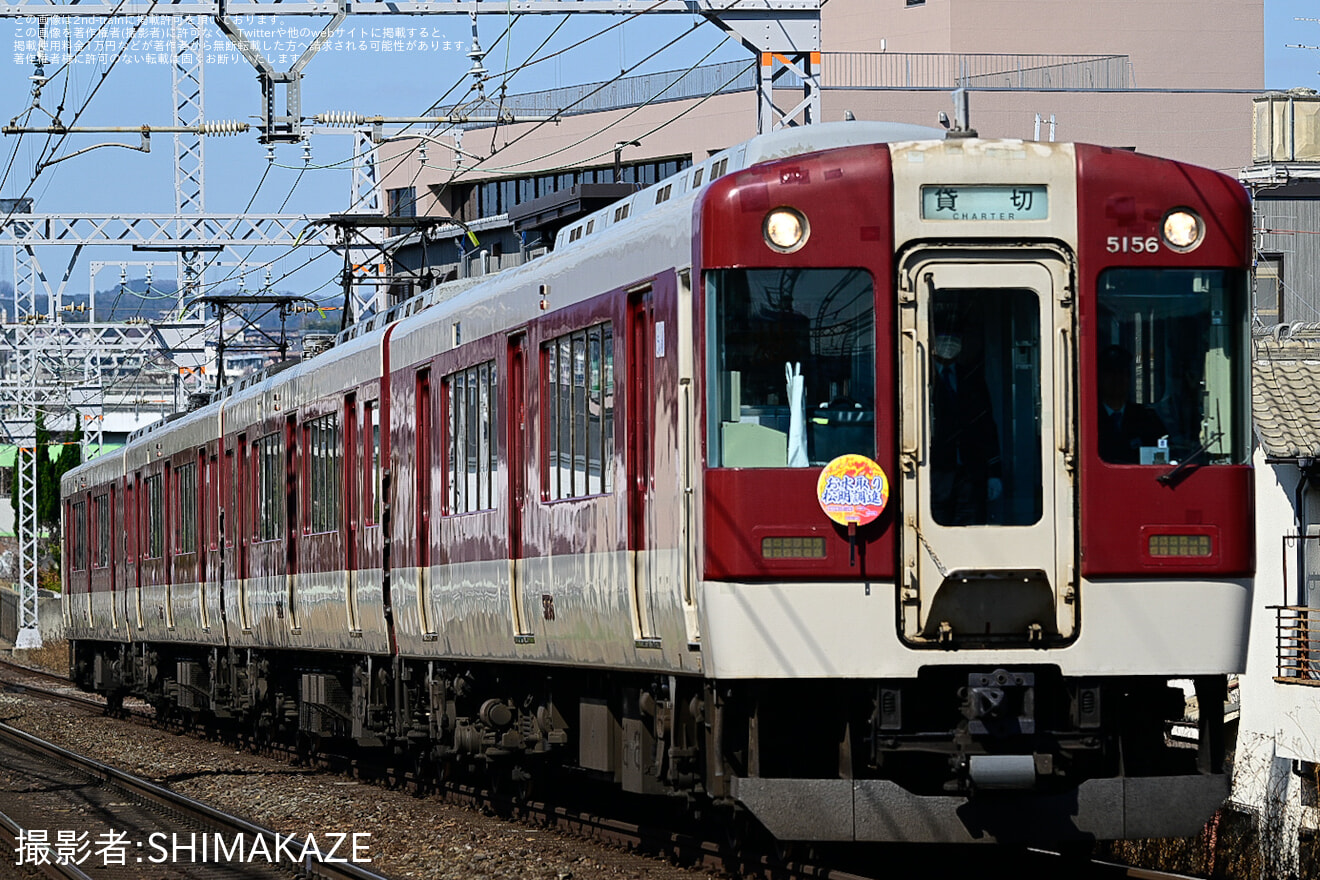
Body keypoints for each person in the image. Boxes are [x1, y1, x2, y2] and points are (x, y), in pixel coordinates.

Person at [929, 332, 1002, 525]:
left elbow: (987, 425)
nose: (948, 344)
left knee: (970, 525)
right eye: (943, 339)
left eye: (954, 339)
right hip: (935, 473)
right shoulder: (920, 376)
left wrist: (994, 472)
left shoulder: (972, 378)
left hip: (971, 473)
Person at [1096, 344, 1168, 464]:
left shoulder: (1146, 418)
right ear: (1099, 377)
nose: (1116, 378)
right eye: (1110, 372)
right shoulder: (1091, 418)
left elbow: (1162, 454)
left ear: (1129, 377)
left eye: (1122, 372)